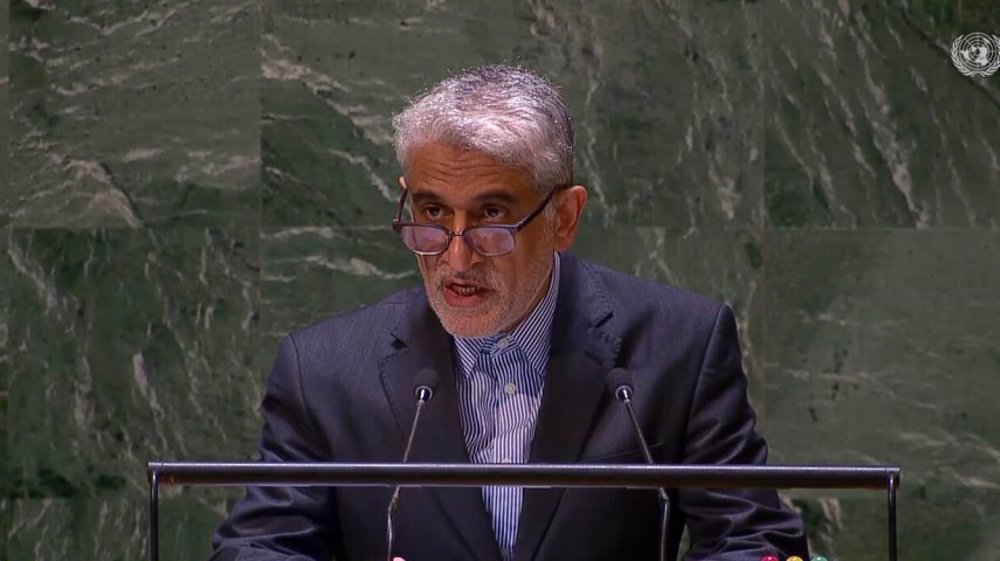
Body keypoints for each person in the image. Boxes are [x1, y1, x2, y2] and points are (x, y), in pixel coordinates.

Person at [211, 65, 809, 561]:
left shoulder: (678, 345)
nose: (457, 254)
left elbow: (754, 538)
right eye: (433, 213)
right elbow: (263, 546)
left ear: (564, 218)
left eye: (492, 215)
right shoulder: (324, 370)